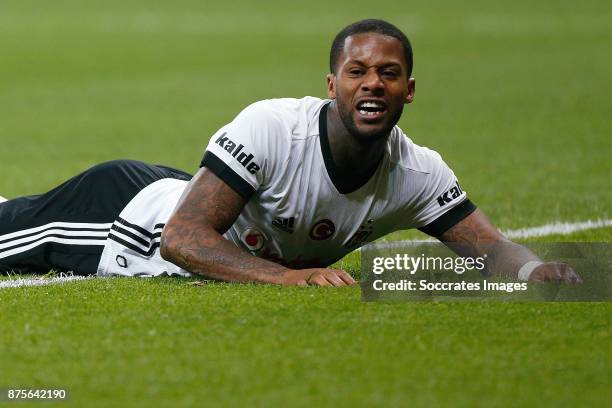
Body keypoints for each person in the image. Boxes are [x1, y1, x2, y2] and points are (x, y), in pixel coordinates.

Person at [0, 19, 580, 286]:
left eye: (389, 73)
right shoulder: (275, 126)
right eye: (357, 71)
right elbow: (181, 238)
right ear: (333, 85)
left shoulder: (418, 173)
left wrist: (535, 270)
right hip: (128, 221)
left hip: (188, 195)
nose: (372, 83)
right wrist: (287, 281)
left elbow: (486, 248)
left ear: (409, 90)